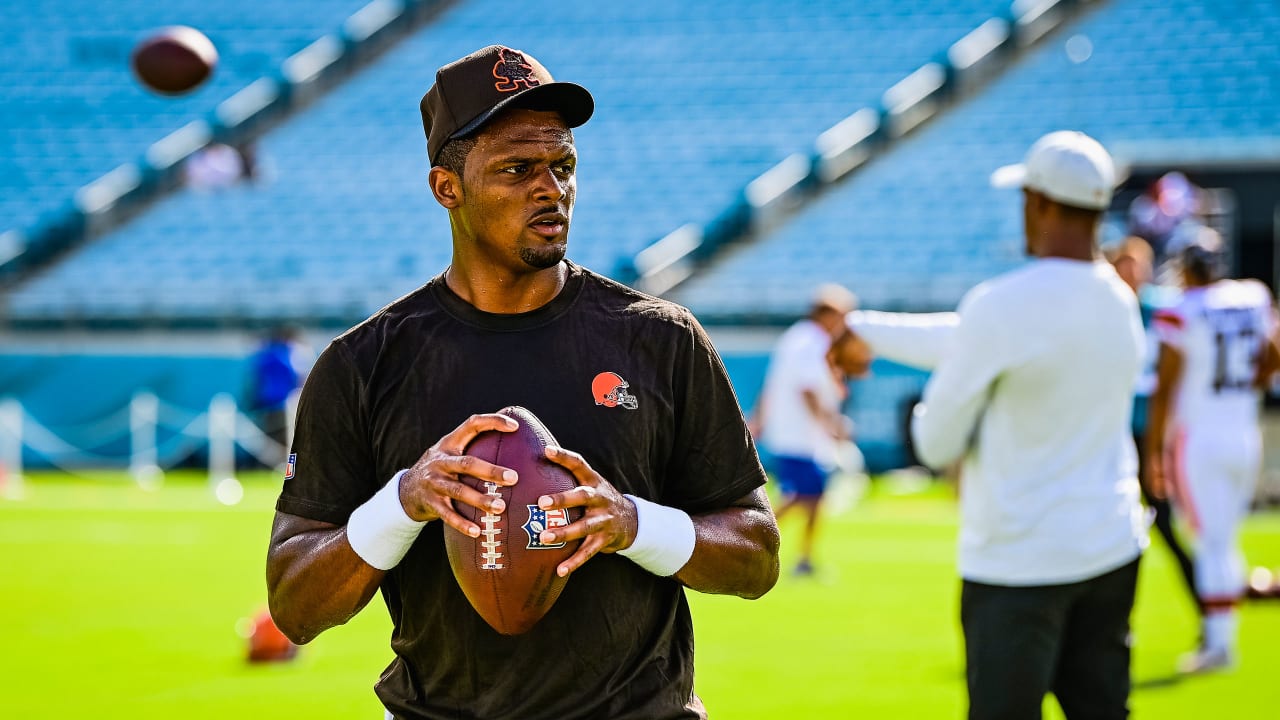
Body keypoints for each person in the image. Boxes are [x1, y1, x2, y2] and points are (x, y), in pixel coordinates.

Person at [265, 45, 780, 720]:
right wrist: (405, 501)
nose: (552, 188)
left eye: (563, 166)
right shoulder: (366, 362)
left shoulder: (660, 338)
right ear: (447, 188)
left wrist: (633, 523)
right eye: (518, 168)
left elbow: (756, 553)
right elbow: (295, 605)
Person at [850, 131, 1149, 719]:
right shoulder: (1119, 298)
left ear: (1037, 202)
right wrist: (864, 328)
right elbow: (984, 337)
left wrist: (932, 405)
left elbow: (936, 442)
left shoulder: (1002, 303)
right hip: (1111, 546)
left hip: (1018, 562)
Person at [1146, 227, 1280, 673]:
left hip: (1200, 439)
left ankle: (1219, 644)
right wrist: (1250, 388)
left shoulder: (1183, 311)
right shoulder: (1251, 297)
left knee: (1210, 543)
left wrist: (1153, 453)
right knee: (1223, 539)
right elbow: (1273, 352)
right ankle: (1223, 638)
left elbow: (1164, 389)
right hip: (1244, 433)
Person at [1107, 236, 1200, 617]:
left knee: (1165, 524)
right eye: (1124, 264)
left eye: (1138, 264)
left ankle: (1207, 607)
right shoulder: (1103, 311)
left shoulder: (1163, 312)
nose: (1132, 273)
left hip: (1151, 434)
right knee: (1110, 527)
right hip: (1111, 433)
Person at [752, 284, 858, 576]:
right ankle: (751, 538)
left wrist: (760, 417)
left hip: (796, 433)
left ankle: (804, 558)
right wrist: (831, 423)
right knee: (802, 496)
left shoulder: (796, 338)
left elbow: (772, 384)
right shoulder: (812, 342)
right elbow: (807, 389)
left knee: (813, 497)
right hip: (800, 435)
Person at [245, 325, 313, 465]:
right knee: (281, 437)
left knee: (274, 437)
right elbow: (299, 378)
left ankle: (275, 465)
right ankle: (278, 464)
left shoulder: (268, 354)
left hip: (270, 402)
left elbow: (257, 378)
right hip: (281, 402)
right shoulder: (289, 355)